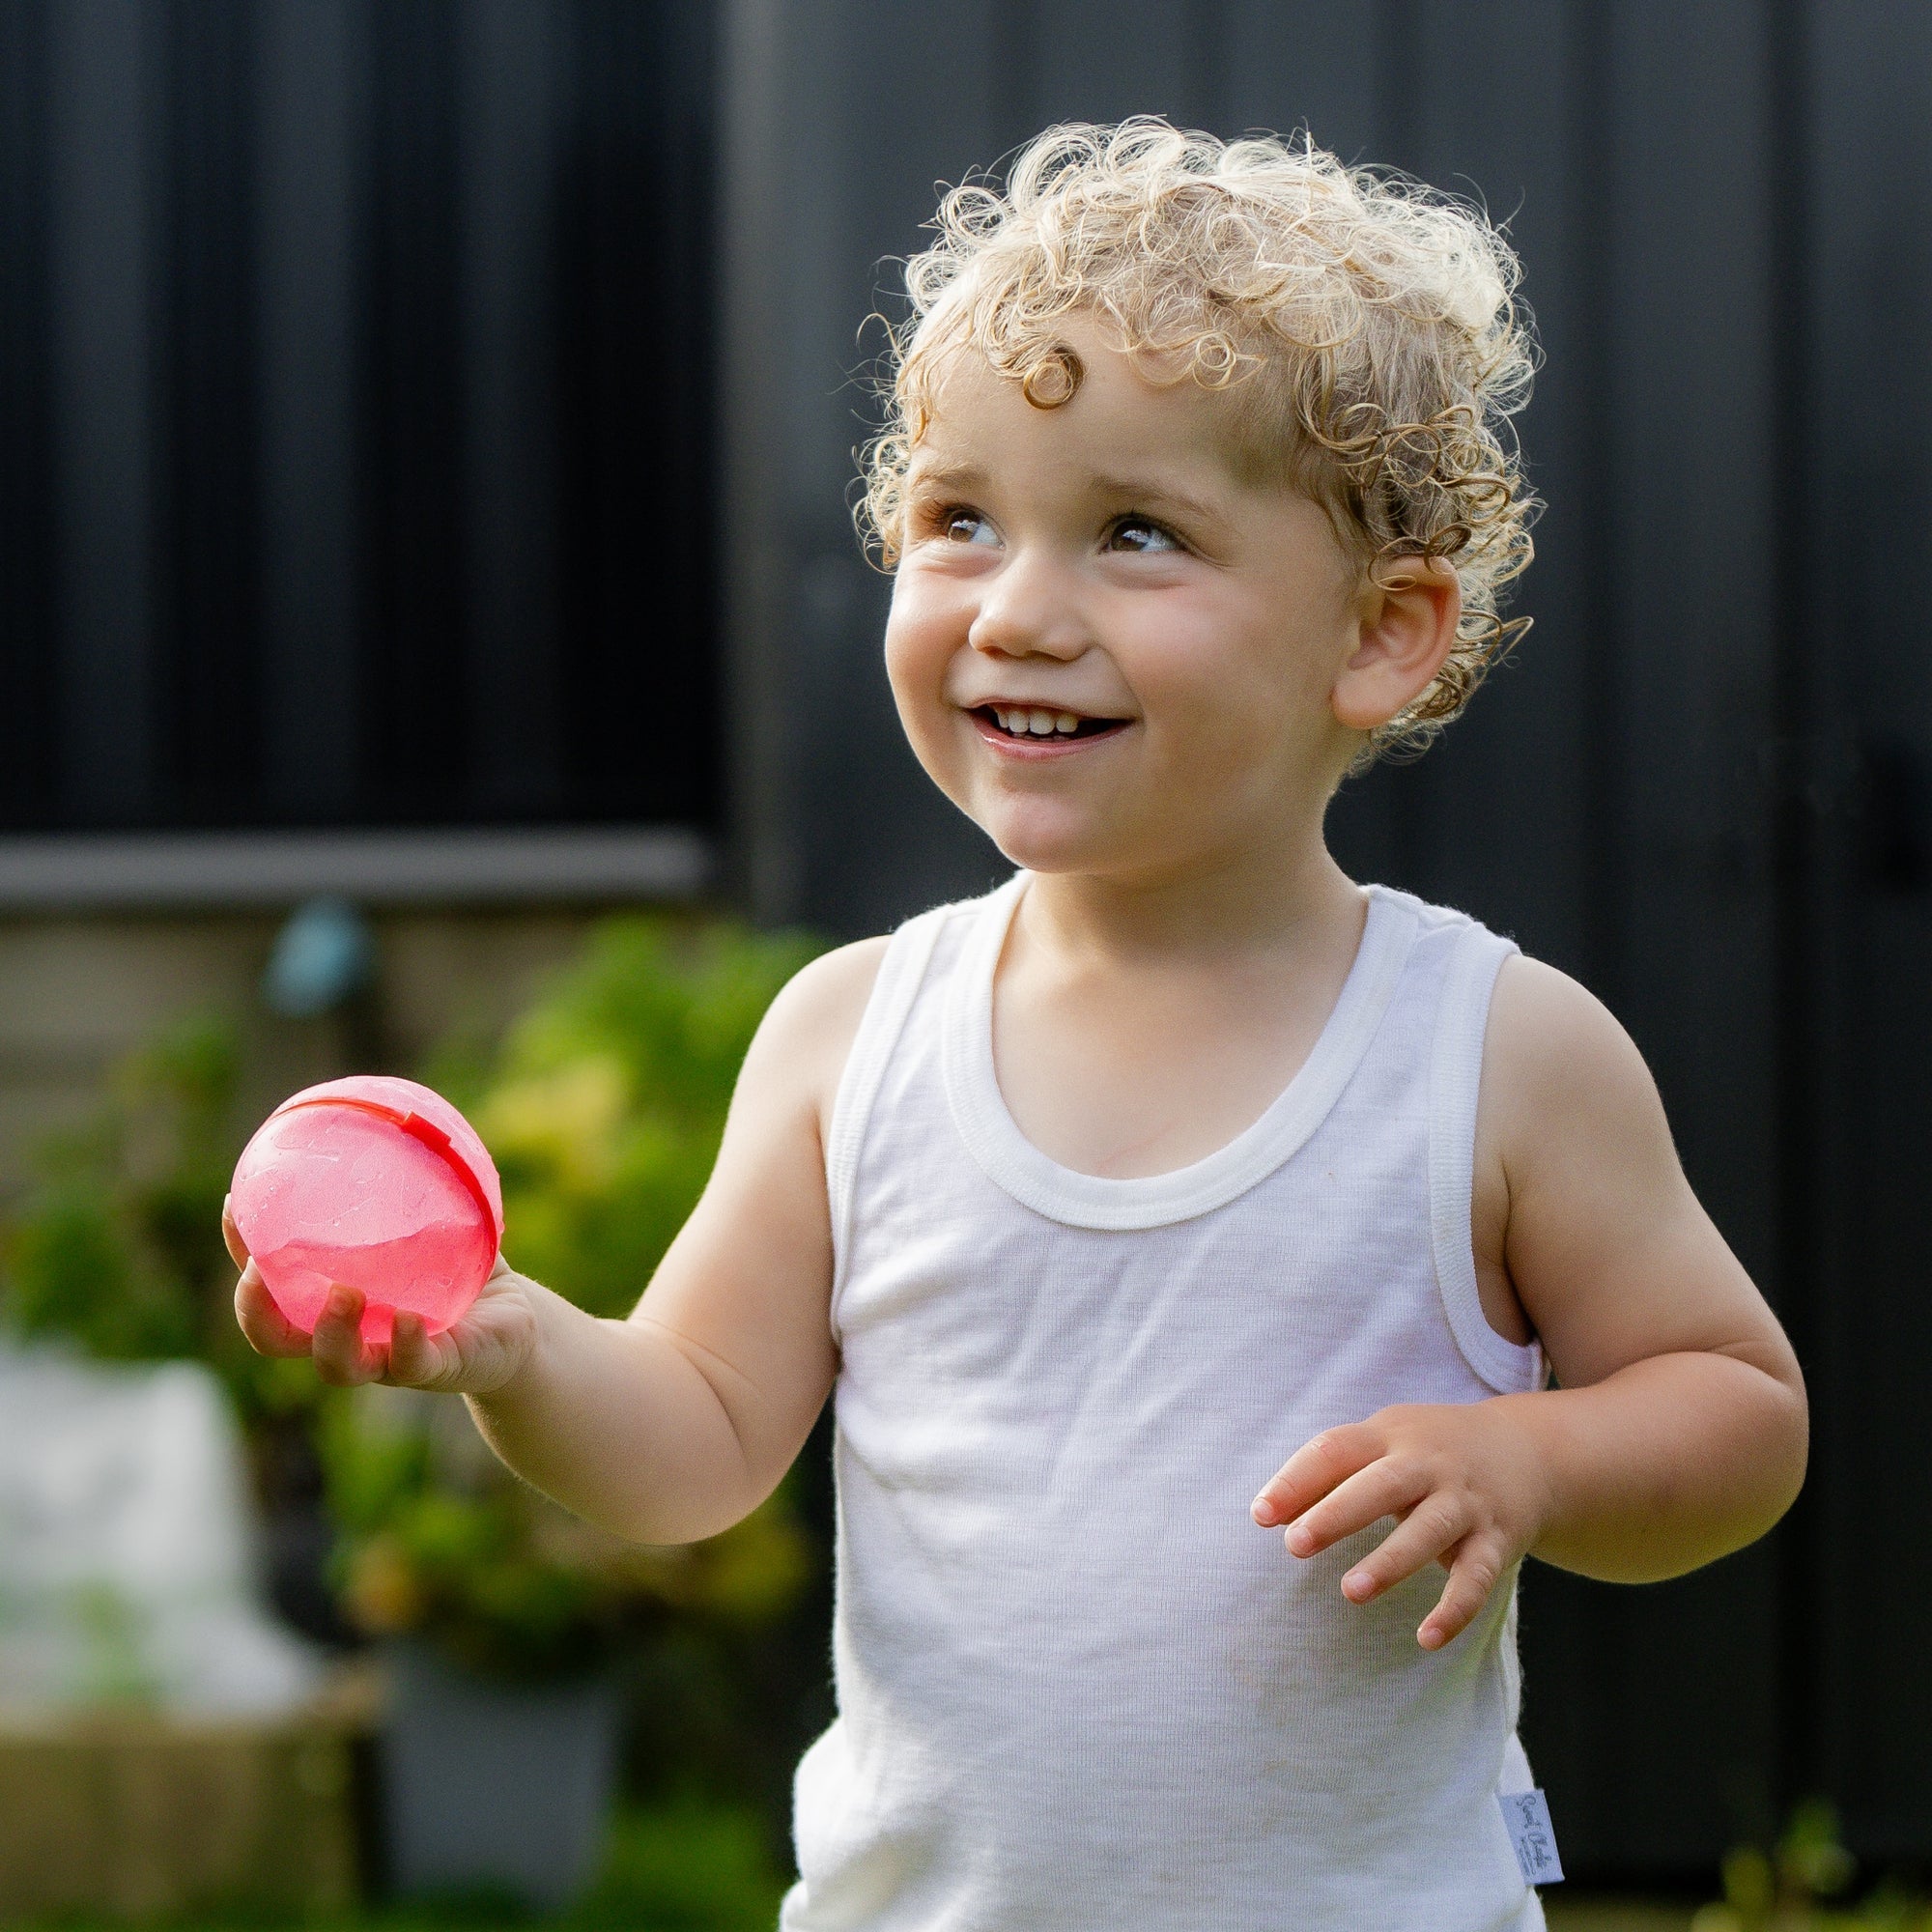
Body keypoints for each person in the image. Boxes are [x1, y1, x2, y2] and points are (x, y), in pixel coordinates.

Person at [228, 119, 1807, 1931]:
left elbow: (1738, 1415)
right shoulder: (853, 1038)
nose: (1019, 611)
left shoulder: (1490, 1055)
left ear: (1381, 636)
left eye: (1136, 532)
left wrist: (1535, 1458)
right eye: (958, 521)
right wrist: (517, 1350)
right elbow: (695, 1442)